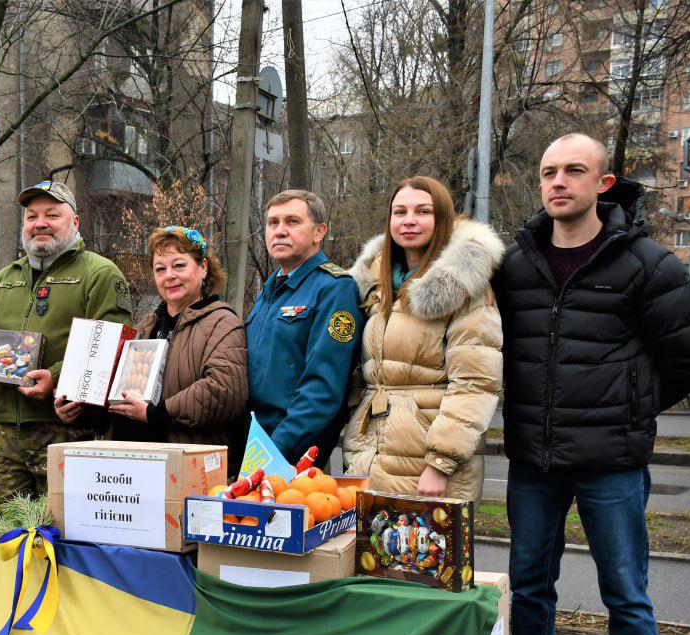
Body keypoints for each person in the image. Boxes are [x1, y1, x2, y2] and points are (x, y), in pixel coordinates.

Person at [490, 133, 690, 635]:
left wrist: (633, 406)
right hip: (534, 457)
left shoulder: (645, 263)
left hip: (612, 460)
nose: (559, 182)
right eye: (549, 172)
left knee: (625, 594)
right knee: (529, 587)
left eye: (574, 172)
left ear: (602, 184)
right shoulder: (516, 264)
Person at [0, 180, 132, 504]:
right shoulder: (5, 279)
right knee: (5, 539)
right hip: (3, 435)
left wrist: (56, 379)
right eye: (32, 217)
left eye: (52, 214)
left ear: (74, 222)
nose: (40, 223)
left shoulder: (99, 274)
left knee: (63, 536)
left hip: (66, 432)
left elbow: (112, 344)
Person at [342, 176, 503, 500]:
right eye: (399, 212)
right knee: (372, 550)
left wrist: (440, 462)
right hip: (371, 454)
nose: (409, 220)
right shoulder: (375, 282)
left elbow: (475, 383)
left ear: (441, 217)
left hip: (430, 465)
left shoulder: (464, 286)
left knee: (424, 552)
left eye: (422, 211)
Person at [59, 226, 248, 468]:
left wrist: (155, 414)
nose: (169, 275)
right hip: (130, 467)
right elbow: (121, 395)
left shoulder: (223, 322)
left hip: (185, 467)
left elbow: (224, 390)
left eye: (179, 265)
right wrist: (79, 410)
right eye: (160, 269)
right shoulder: (146, 325)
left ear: (203, 267)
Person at [245, 189, 362, 470]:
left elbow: (323, 389)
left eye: (292, 222)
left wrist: (276, 450)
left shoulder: (334, 288)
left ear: (319, 232)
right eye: (273, 223)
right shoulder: (269, 292)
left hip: (291, 452)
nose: (280, 231)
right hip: (254, 442)